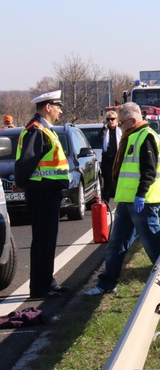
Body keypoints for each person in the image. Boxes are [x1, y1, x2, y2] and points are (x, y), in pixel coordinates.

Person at [85, 102, 160, 296]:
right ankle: (107, 283)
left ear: (133, 120)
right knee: (116, 244)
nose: (119, 126)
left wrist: (141, 195)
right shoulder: (131, 136)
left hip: (143, 201)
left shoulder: (145, 137)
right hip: (128, 200)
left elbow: (149, 170)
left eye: (121, 122)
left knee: (152, 244)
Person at [14, 90, 70, 299]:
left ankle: (47, 281)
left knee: (48, 240)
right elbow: (26, 162)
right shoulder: (36, 130)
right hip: (42, 191)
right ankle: (40, 287)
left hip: (47, 191)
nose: (60, 111)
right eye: (58, 107)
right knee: (43, 240)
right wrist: (21, 183)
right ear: (48, 107)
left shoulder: (45, 130)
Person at [100, 110, 122, 202]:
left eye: (112, 119)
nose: (110, 121)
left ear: (116, 120)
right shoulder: (105, 130)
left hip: (117, 158)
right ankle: (106, 203)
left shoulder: (120, 130)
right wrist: (104, 130)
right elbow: (98, 139)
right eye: (108, 119)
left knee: (118, 181)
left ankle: (120, 201)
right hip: (107, 159)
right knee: (107, 182)